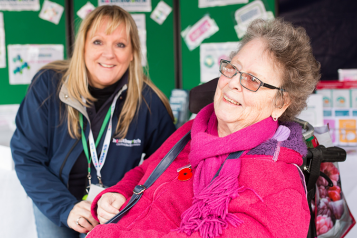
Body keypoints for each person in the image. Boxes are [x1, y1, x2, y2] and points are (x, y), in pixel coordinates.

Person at [87, 18, 321, 238]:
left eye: (252, 80)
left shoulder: (278, 184)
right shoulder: (193, 129)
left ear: (281, 103)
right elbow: (146, 171)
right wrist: (118, 192)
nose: (233, 84)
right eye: (232, 69)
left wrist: (111, 234)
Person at [11, 5, 176, 238]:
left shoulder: (149, 102)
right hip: (55, 199)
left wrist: (127, 198)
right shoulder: (48, 85)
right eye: (98, 42)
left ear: (132, 53)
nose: (109, 54)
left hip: (112, 210)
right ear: (83, 47)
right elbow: (27, 157)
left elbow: (166, 166)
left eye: (120, 44)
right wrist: (64, 207)